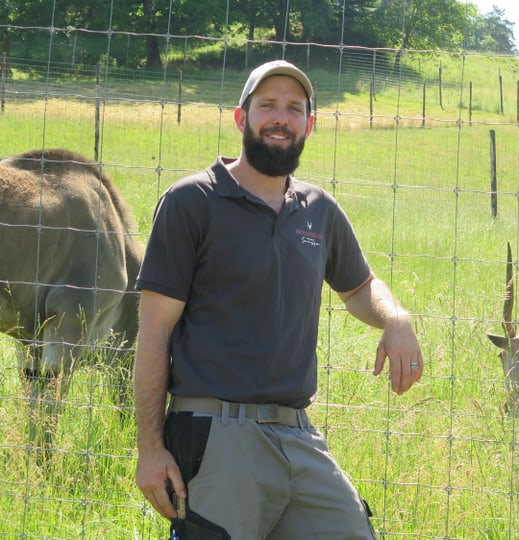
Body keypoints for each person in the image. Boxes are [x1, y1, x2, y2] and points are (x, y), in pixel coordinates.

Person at [133, 59, 423, 539]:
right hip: (215, 432)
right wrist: (149, 448)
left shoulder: (319, 210)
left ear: (309, 124)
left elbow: (359, 286)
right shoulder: (192, 202)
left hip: (297, 433)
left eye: (294, 108)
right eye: (267, 105)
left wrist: (396, 318)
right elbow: (154, 331)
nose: (280, 118)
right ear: (240, 117)